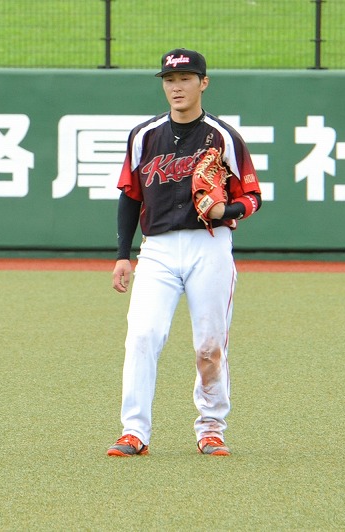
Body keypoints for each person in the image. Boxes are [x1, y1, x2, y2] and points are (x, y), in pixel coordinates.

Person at [107, 48, 262, 457]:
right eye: (170, 80)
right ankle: (134, 431)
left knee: (209, 345)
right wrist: (123, 254)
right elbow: (129, 196)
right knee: (142, 335)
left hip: (208, 245)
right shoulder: (144, 135)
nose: (176, 87)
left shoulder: (223, 136)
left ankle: (211, 428)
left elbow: (252, 197)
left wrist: (226, 210)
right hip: (156, 249)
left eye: (185, 79)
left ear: (203, 83)